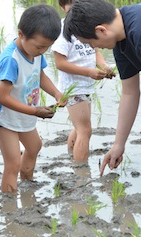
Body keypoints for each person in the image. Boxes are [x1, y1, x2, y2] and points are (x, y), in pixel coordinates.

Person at [63, 0, 141, 194]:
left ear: (101, 30)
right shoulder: (121, 36)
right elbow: (129, 92)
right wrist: (119, 144)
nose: (97, 48)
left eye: (91, 43)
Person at [0, 4, 65, 193]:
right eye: (39, 46)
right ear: (21, 34)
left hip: (25, 112)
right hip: (5, 117)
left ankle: (27, 181)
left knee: (35, 146)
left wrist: (56, 93)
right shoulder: (11, 59)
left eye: (47, 47)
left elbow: (40, 76)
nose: (42, 51)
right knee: (12, 163)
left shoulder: (35, 52)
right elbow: (2, 97)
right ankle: (10, 203)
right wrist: (36, 111)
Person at [51, 0, 115, 162]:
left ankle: (72, 157)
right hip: (73, 88)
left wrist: (104, 67)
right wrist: (88, 72)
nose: (75, 10)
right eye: (71, 5)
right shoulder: (64, 30)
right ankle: (81, 172)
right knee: (85, 130)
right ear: (62, 7)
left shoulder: (87, 26)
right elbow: (60, 63)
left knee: (80, 128)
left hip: (85, 86)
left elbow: (95, 52)